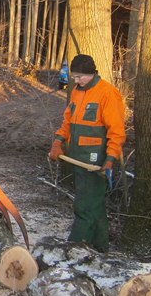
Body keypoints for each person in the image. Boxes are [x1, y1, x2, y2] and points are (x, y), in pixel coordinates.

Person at [48, 54, 125, 252]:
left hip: (95, 161)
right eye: (74, 77)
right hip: (77, 159)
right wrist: (58, 141)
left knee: (84, 206)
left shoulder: (107, 93)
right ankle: (101, 248)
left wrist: (110, 159)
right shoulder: (77, 92)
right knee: (95, 205)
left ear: (91, 73)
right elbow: (68, 121)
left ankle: (74, 249)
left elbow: (116, 131)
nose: (76, 81)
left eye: (80, 77)